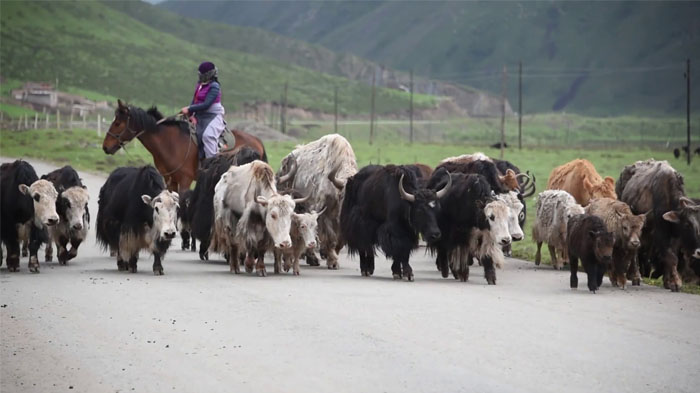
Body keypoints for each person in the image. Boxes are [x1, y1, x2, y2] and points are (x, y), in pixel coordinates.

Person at [181, 61, 226, 159]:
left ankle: (212, 162)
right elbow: (195, 100)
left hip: (213, 115)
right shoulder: (200, 85)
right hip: (199, 114)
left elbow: (206, 104)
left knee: (207, 136)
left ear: (208, 75)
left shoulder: (215, 86)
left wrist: (189, 108)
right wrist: (190, 113)